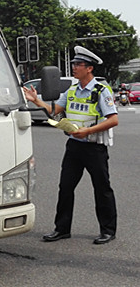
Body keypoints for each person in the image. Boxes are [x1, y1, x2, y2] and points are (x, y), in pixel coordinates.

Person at [23, 46, 118, 245]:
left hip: (94, 147)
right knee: (65, 187)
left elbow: (113, 120)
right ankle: (62, 229)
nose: (74, 67)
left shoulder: (101, 91)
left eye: (78, 64)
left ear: (89, 68)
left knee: (102, 189)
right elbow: (55, 110)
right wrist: (37, 101)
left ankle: (108, 230)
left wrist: (88, 131)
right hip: (74, 146)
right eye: (74, 64)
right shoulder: (72, 90)